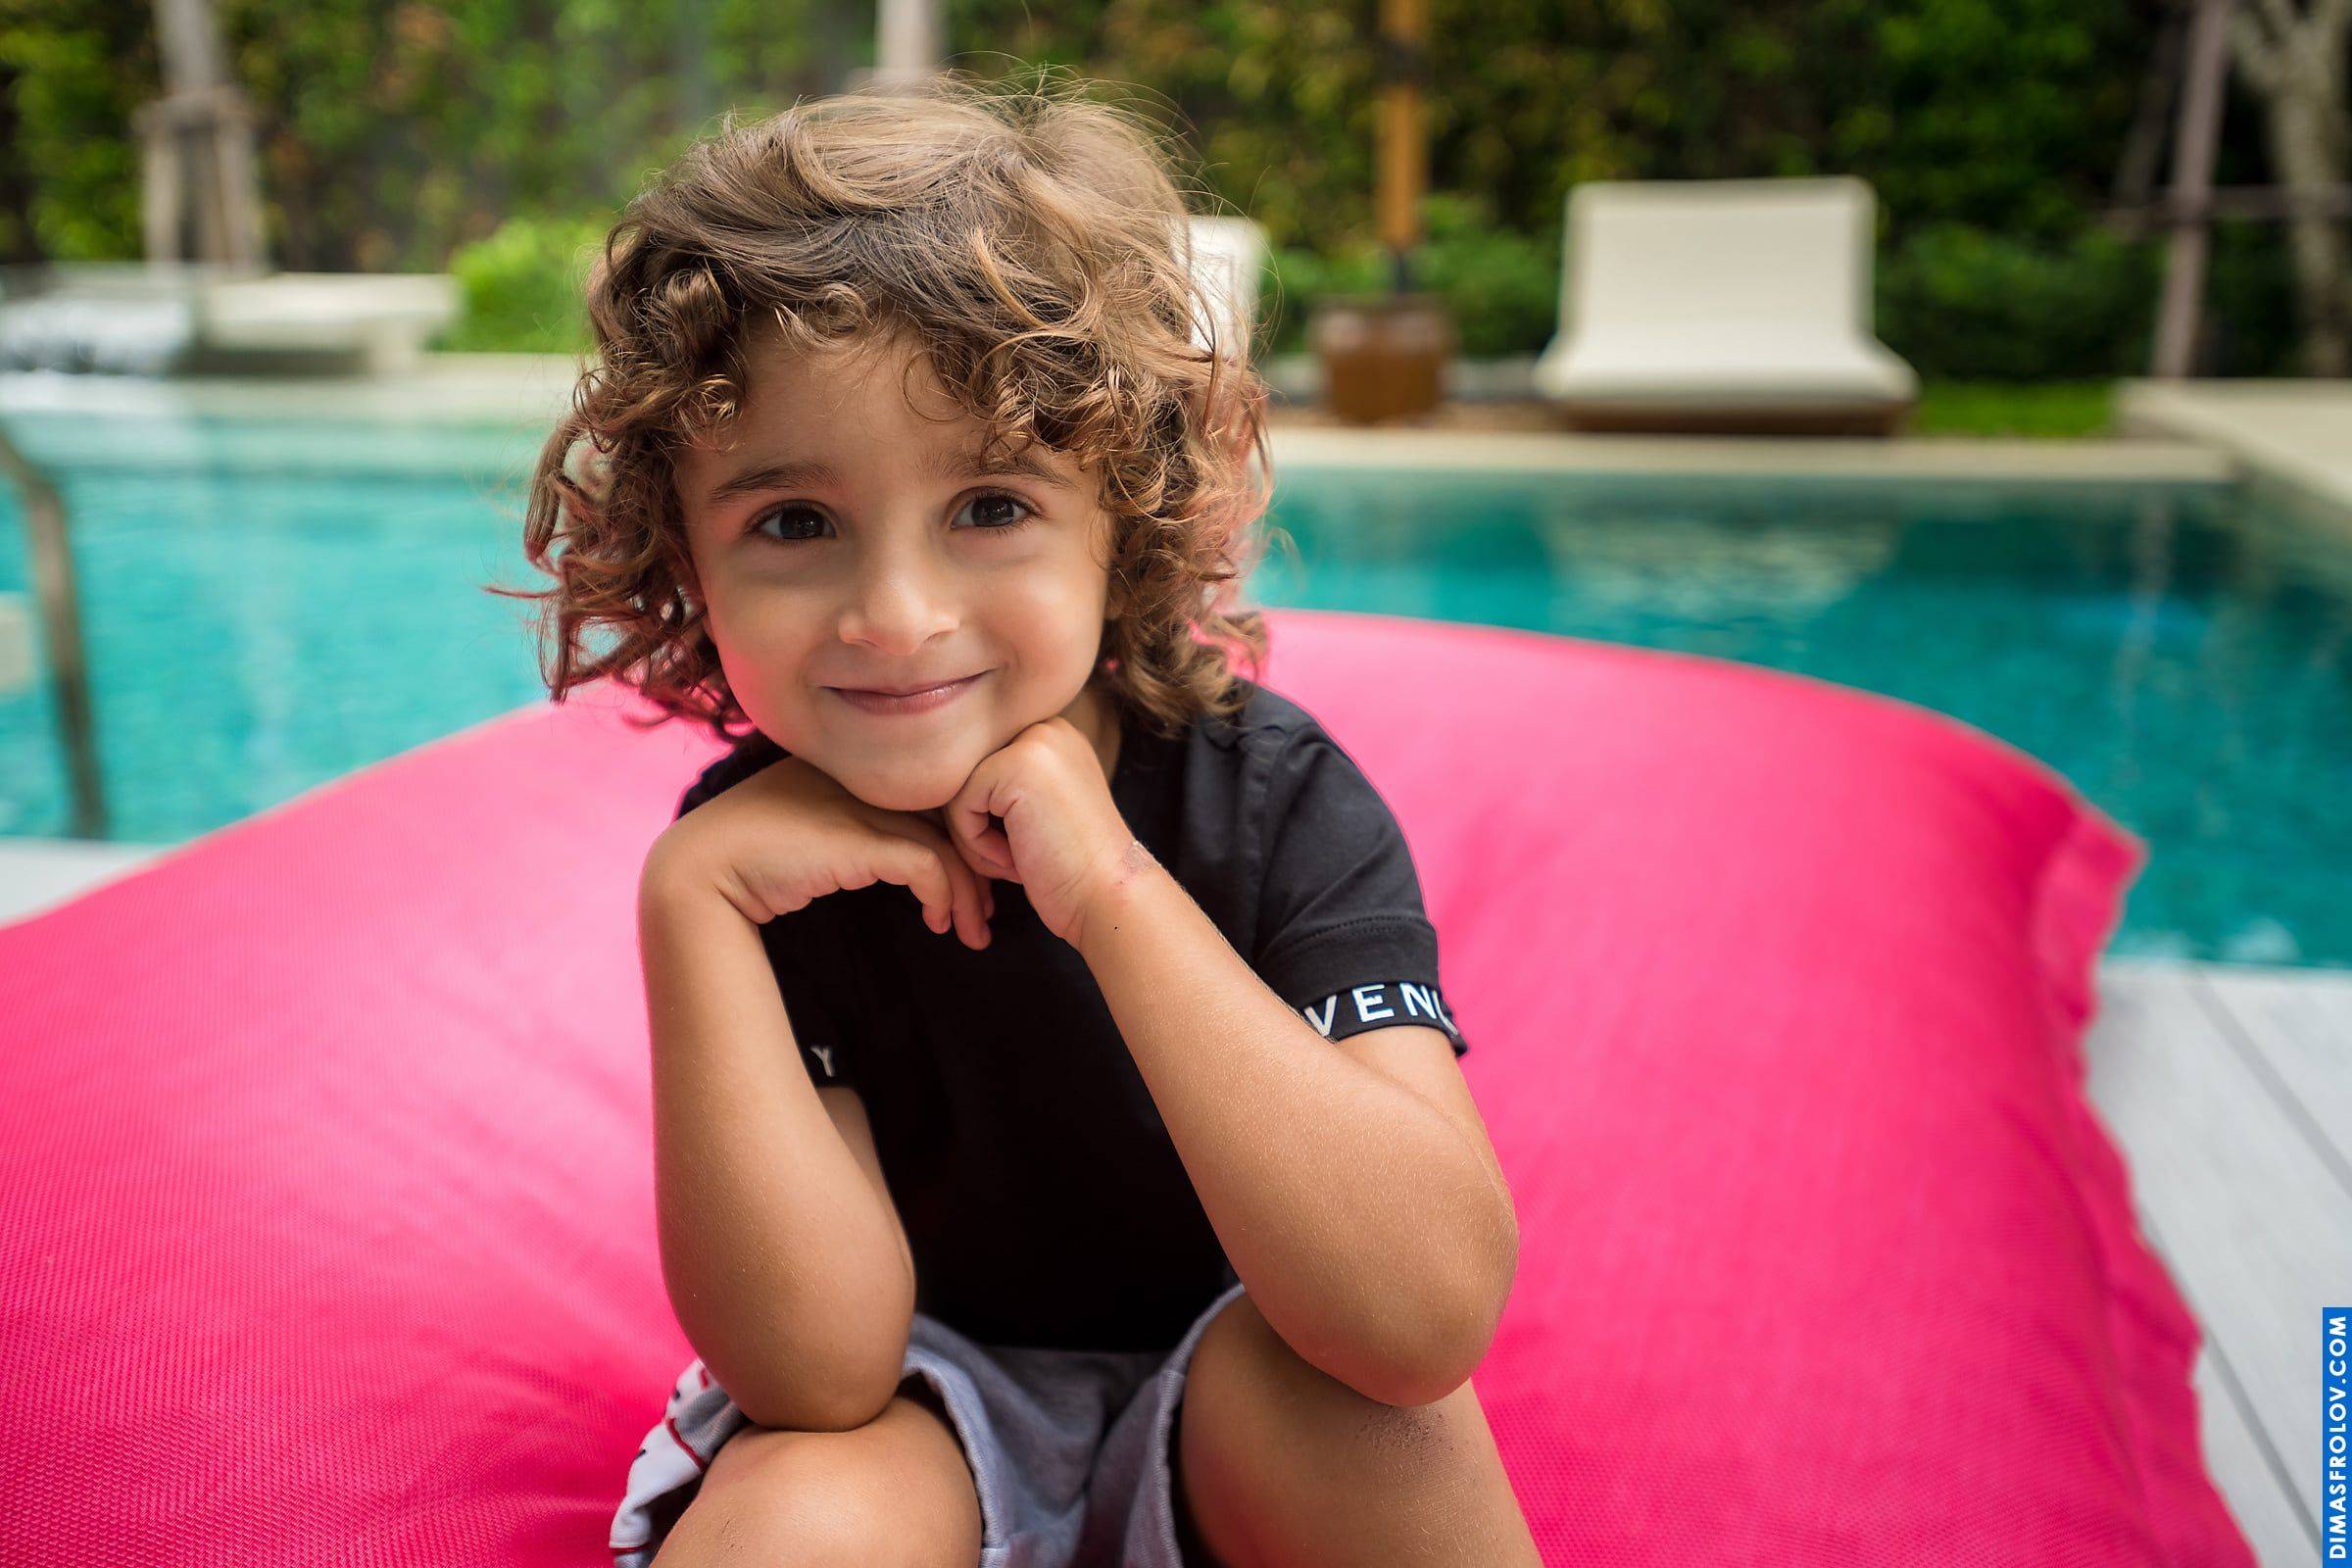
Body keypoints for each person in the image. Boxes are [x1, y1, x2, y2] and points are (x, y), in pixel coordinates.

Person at [513, 67, 1538, 1567]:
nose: (896, 615)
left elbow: (1421, 1318)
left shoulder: (1272, 800)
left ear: (1127, 519)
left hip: (1252, 1392)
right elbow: (819, 1376)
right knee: (803, 1505)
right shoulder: (757, 859)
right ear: (687, 560)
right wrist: (694, 908)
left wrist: (1112, 888)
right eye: (794, 523)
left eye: (991, 506)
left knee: (1386, 1432)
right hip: (924, 1417)